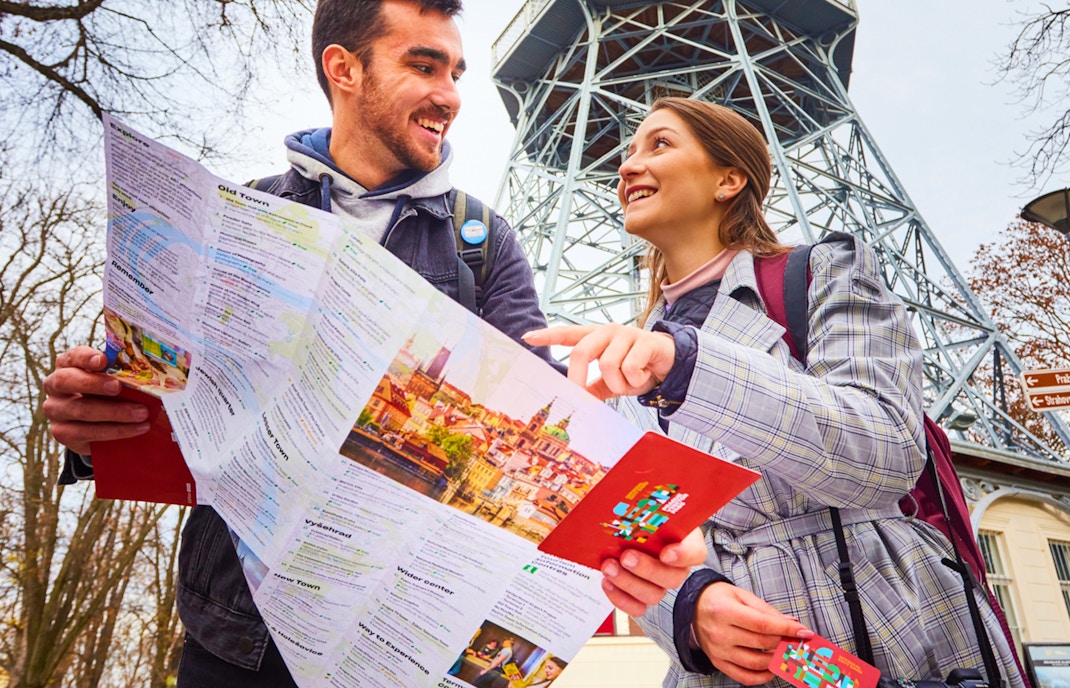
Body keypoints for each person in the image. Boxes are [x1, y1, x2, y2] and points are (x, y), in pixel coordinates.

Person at [40, 2, 704, 684]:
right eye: (423, 65)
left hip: (398, 645)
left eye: (456, 71)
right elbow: (173, 402)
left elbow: (540, 427)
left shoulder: (484, 244)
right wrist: (94, 430)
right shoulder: (234, 213)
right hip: (235, 641)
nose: (448, 93)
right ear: (344, 69)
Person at [523, 97, 1027, 688]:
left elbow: (886, 450)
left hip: (884, 636)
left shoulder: (821, 274)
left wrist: (687, 365)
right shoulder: (624, 360)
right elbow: (627, 545)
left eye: (659, 144)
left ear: (729, 179)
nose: (627, 167)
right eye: (628, 152)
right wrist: (690, 610)